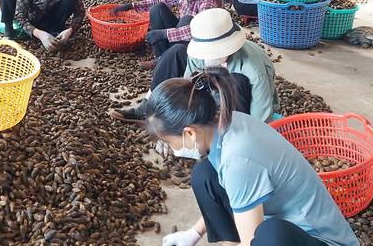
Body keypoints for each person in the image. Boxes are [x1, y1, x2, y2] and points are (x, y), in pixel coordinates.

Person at [145, 68, 359, 246]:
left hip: (318, 239)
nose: (173, 149)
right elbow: (229, 189)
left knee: (269, 236)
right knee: (205, 175)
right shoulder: (227, 123)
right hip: (280, 219)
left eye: (169, 142)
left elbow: (252, 241)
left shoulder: (238, 159)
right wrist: (192, 234)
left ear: (190, 133)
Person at [111, 8, 278, 125]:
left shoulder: (253, 68)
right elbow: (189, 87)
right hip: (212, 98)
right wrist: (179, 124)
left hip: (244, 110)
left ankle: (232, 129)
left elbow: (262, 122)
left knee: (236, 80)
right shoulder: (198, 54)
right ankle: (146, 108)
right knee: (175, 52)